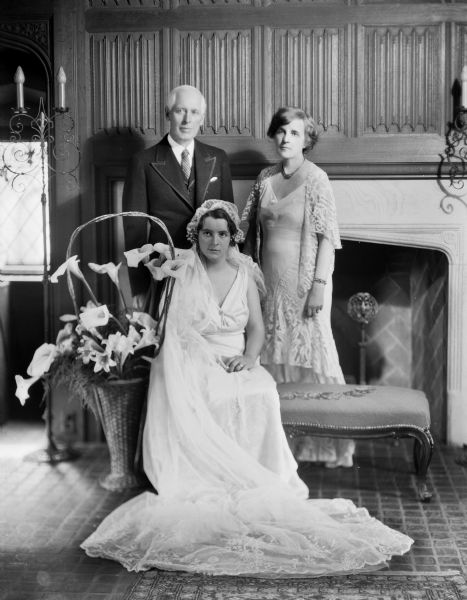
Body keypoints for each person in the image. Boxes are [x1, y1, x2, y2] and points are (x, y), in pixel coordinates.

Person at [81, 200, 413, 576]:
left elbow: (256, 329)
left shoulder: (245, 272)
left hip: (238, 356)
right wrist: (202, 364)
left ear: (232, 238)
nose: (214, 241)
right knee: (214, 393)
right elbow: (174, 333)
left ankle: (262, 473)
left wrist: (251, 358)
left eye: (222, 234)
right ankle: (212, 476)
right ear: (196, 235)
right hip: (193, 358)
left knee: (261, 391)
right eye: (207, 233)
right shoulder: (182, 271)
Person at [241, 106, 354, 468]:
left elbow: (327, 238)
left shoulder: (317, 178)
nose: (286, 138)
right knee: (271, 355)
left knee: (308, 356)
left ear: (307, 140)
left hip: (304, 283)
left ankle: (324, 444)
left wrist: (319, 285)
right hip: (266, 282)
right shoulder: (264, 178)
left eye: (294, 133)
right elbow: (246, 233)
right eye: (281, 132)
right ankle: (277, 448)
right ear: (274, 135)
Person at [122, 85, 234, 305]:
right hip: (164, 274)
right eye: (180, 111)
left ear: (202, 117)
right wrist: (139, 287)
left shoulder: (218, 159)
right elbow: (133, 230)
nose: (187, 120)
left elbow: (229, 223)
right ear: (167, 113)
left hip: (210, 273)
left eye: (194, 112)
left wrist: (227, 275)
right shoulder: (143, 162)